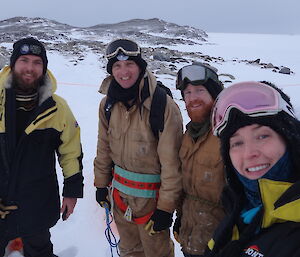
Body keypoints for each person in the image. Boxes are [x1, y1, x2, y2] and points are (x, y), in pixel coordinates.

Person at [94, 38, 183, 257]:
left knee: (157, 253)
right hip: (120, 198)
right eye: (117, 66)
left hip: (152, 203)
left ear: (140, 66)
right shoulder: (107, 104)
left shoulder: (162, 105)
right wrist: (101, 184)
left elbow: (172, 163)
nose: (124, 71)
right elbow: (104, 147)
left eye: (129, 64)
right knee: (129, 250)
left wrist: (165, 208)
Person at [0, 37, 84, 257]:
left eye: (37, 62)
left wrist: (72, 190)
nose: (30, 67)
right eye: (24, 60)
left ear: (44, 67)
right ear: (13, 63)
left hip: (36, 202)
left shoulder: (56, 108)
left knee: (40, 250)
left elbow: (71, 151)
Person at [205, 81, 300, 257]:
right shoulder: (236, 215)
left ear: (289, 139)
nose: (249, 153)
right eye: (237, 143)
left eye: (262, 136)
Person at [173, 63, 225, 257]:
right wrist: (180, 217)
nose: (192, 98)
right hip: (191, 239)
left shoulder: (229, 135)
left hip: (222, 244)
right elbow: (185, 186)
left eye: (199, 91)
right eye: (187, 93)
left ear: (214, 94)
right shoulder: (188, 135)